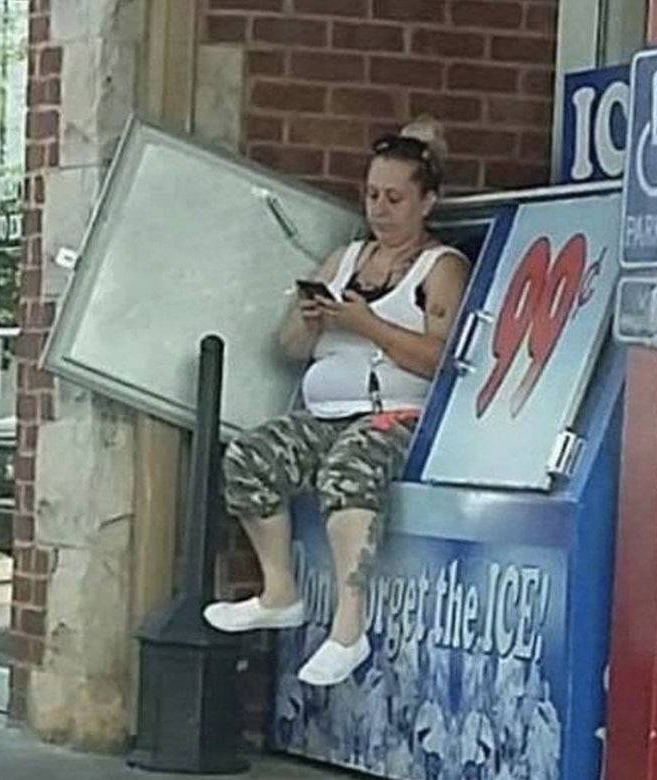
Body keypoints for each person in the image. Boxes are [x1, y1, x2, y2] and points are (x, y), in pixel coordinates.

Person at [203, 118, 469, 687]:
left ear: (427, 202)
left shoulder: (440, 267)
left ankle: (349, 627)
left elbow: (440, 359)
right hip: (324, 413)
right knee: (249, 455)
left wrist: (366, 324)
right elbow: (290, 348)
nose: (380, 210)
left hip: (394, 414)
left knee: (349, 468)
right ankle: (279, 591)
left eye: (395, 198)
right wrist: (307, 320)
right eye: (372, 196)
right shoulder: (345, 258)